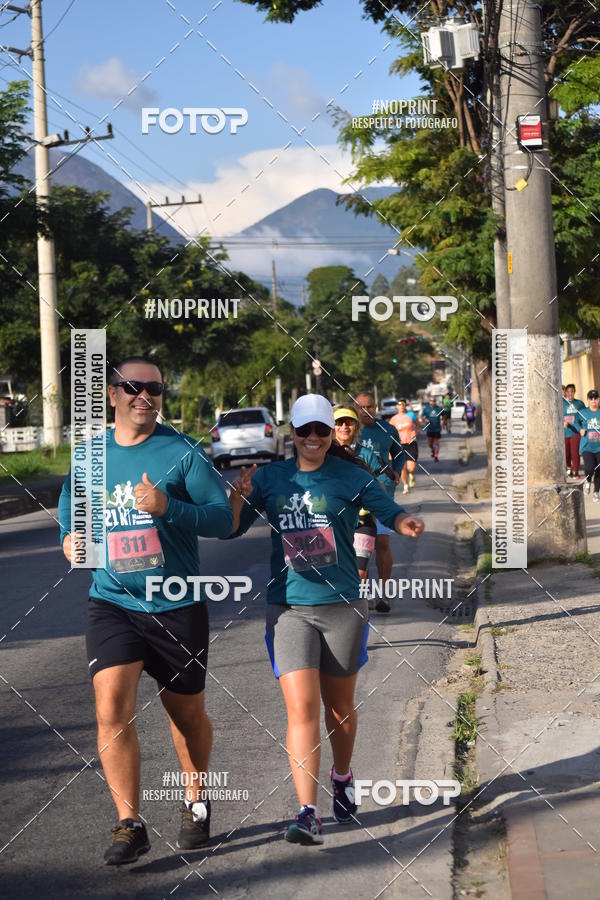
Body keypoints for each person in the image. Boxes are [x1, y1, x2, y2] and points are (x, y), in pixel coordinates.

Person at [226, 394, 424, 845]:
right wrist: (237, 500)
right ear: (291, 434)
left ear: (330, 432)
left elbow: (385, 507)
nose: (313, 438)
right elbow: (232, 528)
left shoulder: (349, 475)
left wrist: (405, 519)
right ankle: (307, 812)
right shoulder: (271, 478)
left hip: (343, 606)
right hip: (289, 606)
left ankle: (342, 774)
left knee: (340, 709)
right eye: (304, 430)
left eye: (321, 429)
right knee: (301, 710)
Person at [58, 357, 233, 864]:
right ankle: (129, 823)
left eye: (154, 388)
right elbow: (72, 509)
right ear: (112, 394)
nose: (145, 395)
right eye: (133, 387)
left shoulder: (181, 453)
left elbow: (222, 520)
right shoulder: (91, 454)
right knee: (110, 706)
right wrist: (69, 539)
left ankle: (196, 799)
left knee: (186, 713)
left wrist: (168, 508)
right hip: (112, 601)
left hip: (177, 603)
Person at [354, 392, 405, 596]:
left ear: (376, 408)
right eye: (361, 407)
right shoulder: (349, 430)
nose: (366, 411)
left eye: (370, 407)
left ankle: (383, 592)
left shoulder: (387, 429)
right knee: (361, 547)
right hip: (356, 493)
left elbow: (400, 453)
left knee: (383, 542)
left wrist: (397, 471)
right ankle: (362, 595)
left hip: (383, 490)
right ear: (355, 408)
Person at [332, 405, 379, 583]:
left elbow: (382, 484)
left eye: (349, 422)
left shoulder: (366, 455)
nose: (344, 426)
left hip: (362, 521)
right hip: (331, 522)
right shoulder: (322, 455)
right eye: (339, 422)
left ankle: (359, 610)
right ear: (332, 427)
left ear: (356, 427)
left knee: (360, 573)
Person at [389, 400, 419, 493]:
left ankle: (412, 475)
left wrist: (415, 432)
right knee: (402, 467)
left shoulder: (411, 416)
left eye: (403, 405)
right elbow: (390, 433)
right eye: (399, 405)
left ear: (405, 406)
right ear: (397, 407)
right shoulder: (393, 419)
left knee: (411, 468)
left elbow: (418, 424)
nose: (401, 406)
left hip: (410, 444)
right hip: (399, 445)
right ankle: (406, 485)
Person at [579, 389, 600, 500]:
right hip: (587, 447)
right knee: (589, 467)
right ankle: (587, 481)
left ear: (598, 399)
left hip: (599, 448)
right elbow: (576, 422)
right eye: (591, 398)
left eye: (595, 398)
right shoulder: (583, 412)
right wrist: (580, 429)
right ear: (588, 400)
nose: (593, 400)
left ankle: (596, 492)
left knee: (599, 470)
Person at [563, 383, 586, 478]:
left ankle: (576, 472)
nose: (570, 393)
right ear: (565, 392)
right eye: (568, 391)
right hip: (564, 432)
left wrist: (583, 428)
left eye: (572, 391)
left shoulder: (579, 403)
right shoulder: (561, 402)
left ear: (574, 392)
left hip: (576, 431)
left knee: (574, 452)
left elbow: (585, 416)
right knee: (566, 453)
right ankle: (568, 467)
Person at [420, 395, 443, 460]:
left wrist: (442, 421)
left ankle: (436, 456)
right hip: (429, 429)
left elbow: (443, 415)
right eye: (431, 401)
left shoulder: (439, 408)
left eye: (433, 401)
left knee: (436, 442)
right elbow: (421, 417)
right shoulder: (426, 409)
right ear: (429, 401)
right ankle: (433, 450)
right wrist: (425, 420)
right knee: (430, 443)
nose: (432, 402)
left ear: (435, 401)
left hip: (437, 428)